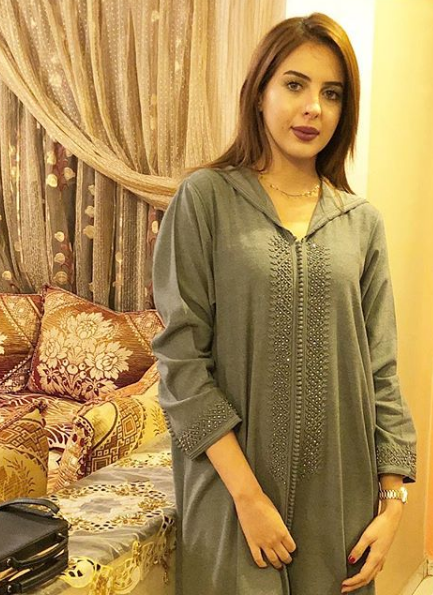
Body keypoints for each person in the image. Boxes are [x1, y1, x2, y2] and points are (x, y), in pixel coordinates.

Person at [151, 12, 417, 595]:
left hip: (340, 502)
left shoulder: (361, 223)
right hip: (231, 498)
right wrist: (248, 498)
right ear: (260, 92)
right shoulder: (205, 201)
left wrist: (393, 502)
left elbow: (381, 370)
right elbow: (181, 361)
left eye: (332, 93)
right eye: (295, 84)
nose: (313, 108)